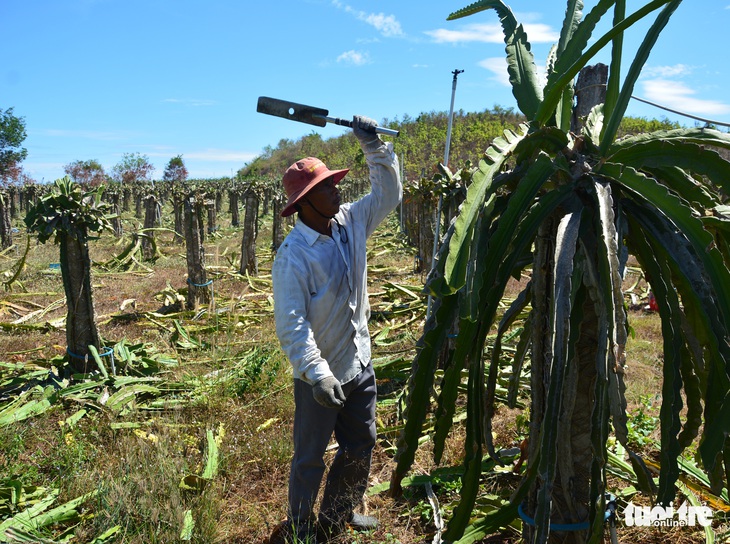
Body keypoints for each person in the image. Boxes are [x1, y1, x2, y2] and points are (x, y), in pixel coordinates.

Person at [270, 115, 401, 543]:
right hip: (319, 375)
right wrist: (318, 373)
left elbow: (389, 193)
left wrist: (374, 146)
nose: (336, 188)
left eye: (333, 183)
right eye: (326, 186)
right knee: (309, 457)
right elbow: (292, 326)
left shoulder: (350, 222)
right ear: (304, 202)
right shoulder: (293, 258)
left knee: (360, 444)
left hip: (359, 361)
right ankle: (302, 526)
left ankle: (338, 514)